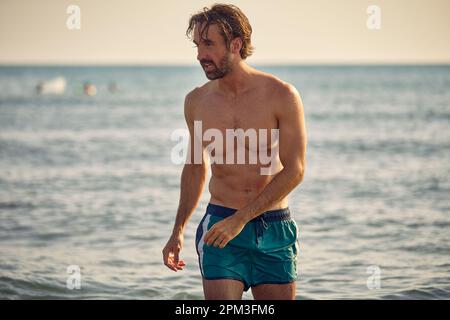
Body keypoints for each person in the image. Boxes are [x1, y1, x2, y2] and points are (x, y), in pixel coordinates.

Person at [162, 4, 307, 300]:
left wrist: (241, 219)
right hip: (219, 227)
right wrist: (178, 229)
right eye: (197, 45)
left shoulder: (282, 95)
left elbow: (295, 171)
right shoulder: (196, 101)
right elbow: (195, 167)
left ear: (236, 44)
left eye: (209, 44)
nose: (200, 55)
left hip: (273, 228)